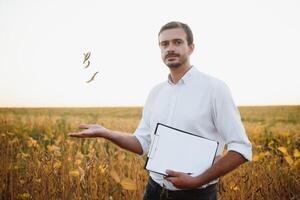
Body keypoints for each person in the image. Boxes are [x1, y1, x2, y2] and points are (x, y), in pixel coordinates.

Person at [68, 21, 252, 200]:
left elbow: (241, 148)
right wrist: (106, 133)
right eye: (164, 44)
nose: (170, 48)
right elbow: (142, 143)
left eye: (177, 42)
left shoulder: (214, 89)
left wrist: (196, 181)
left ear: (191, 48)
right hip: (154, 189)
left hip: (196, 194)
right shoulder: (156, 93)